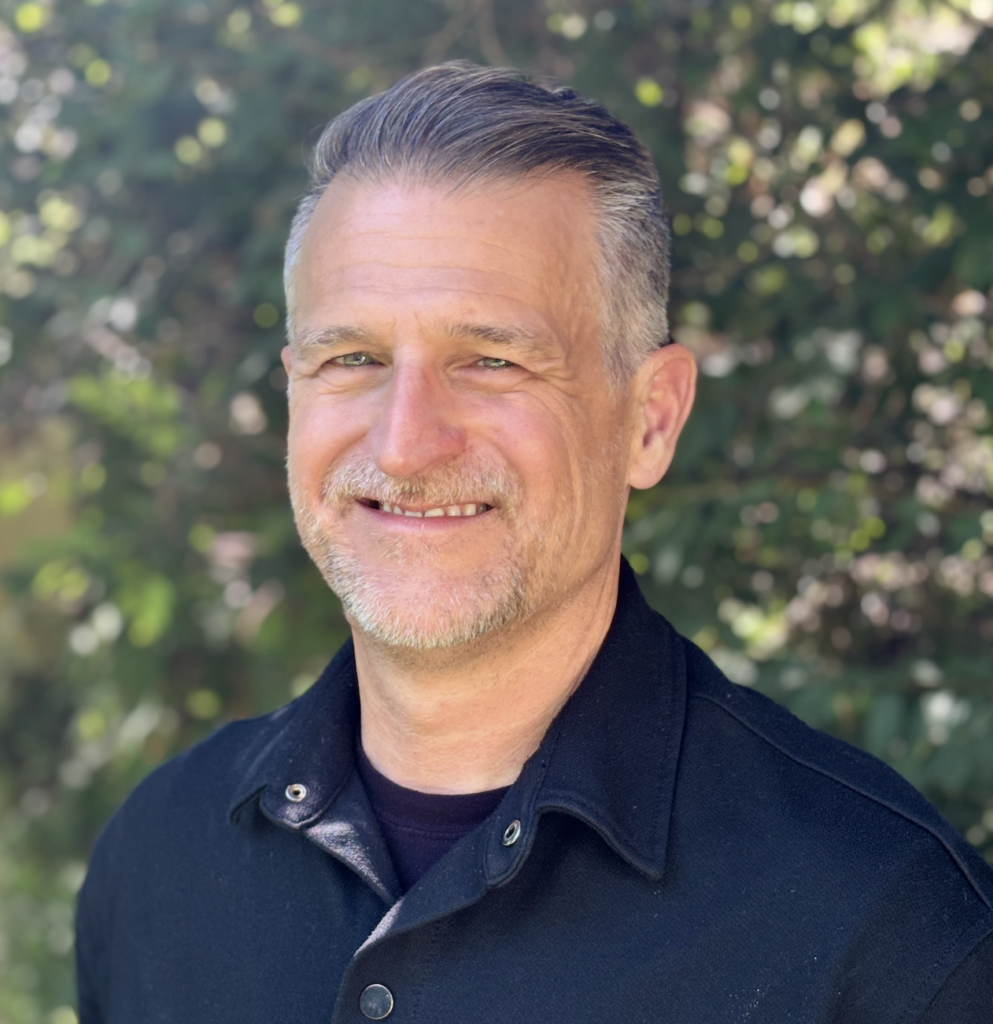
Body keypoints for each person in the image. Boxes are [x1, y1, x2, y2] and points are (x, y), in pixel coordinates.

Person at [76, 63, 993, 1023]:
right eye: (352, 358)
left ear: (649, 419)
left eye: (491, 360)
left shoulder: (888, 937)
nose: (404, 444)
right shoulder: (156, 861)